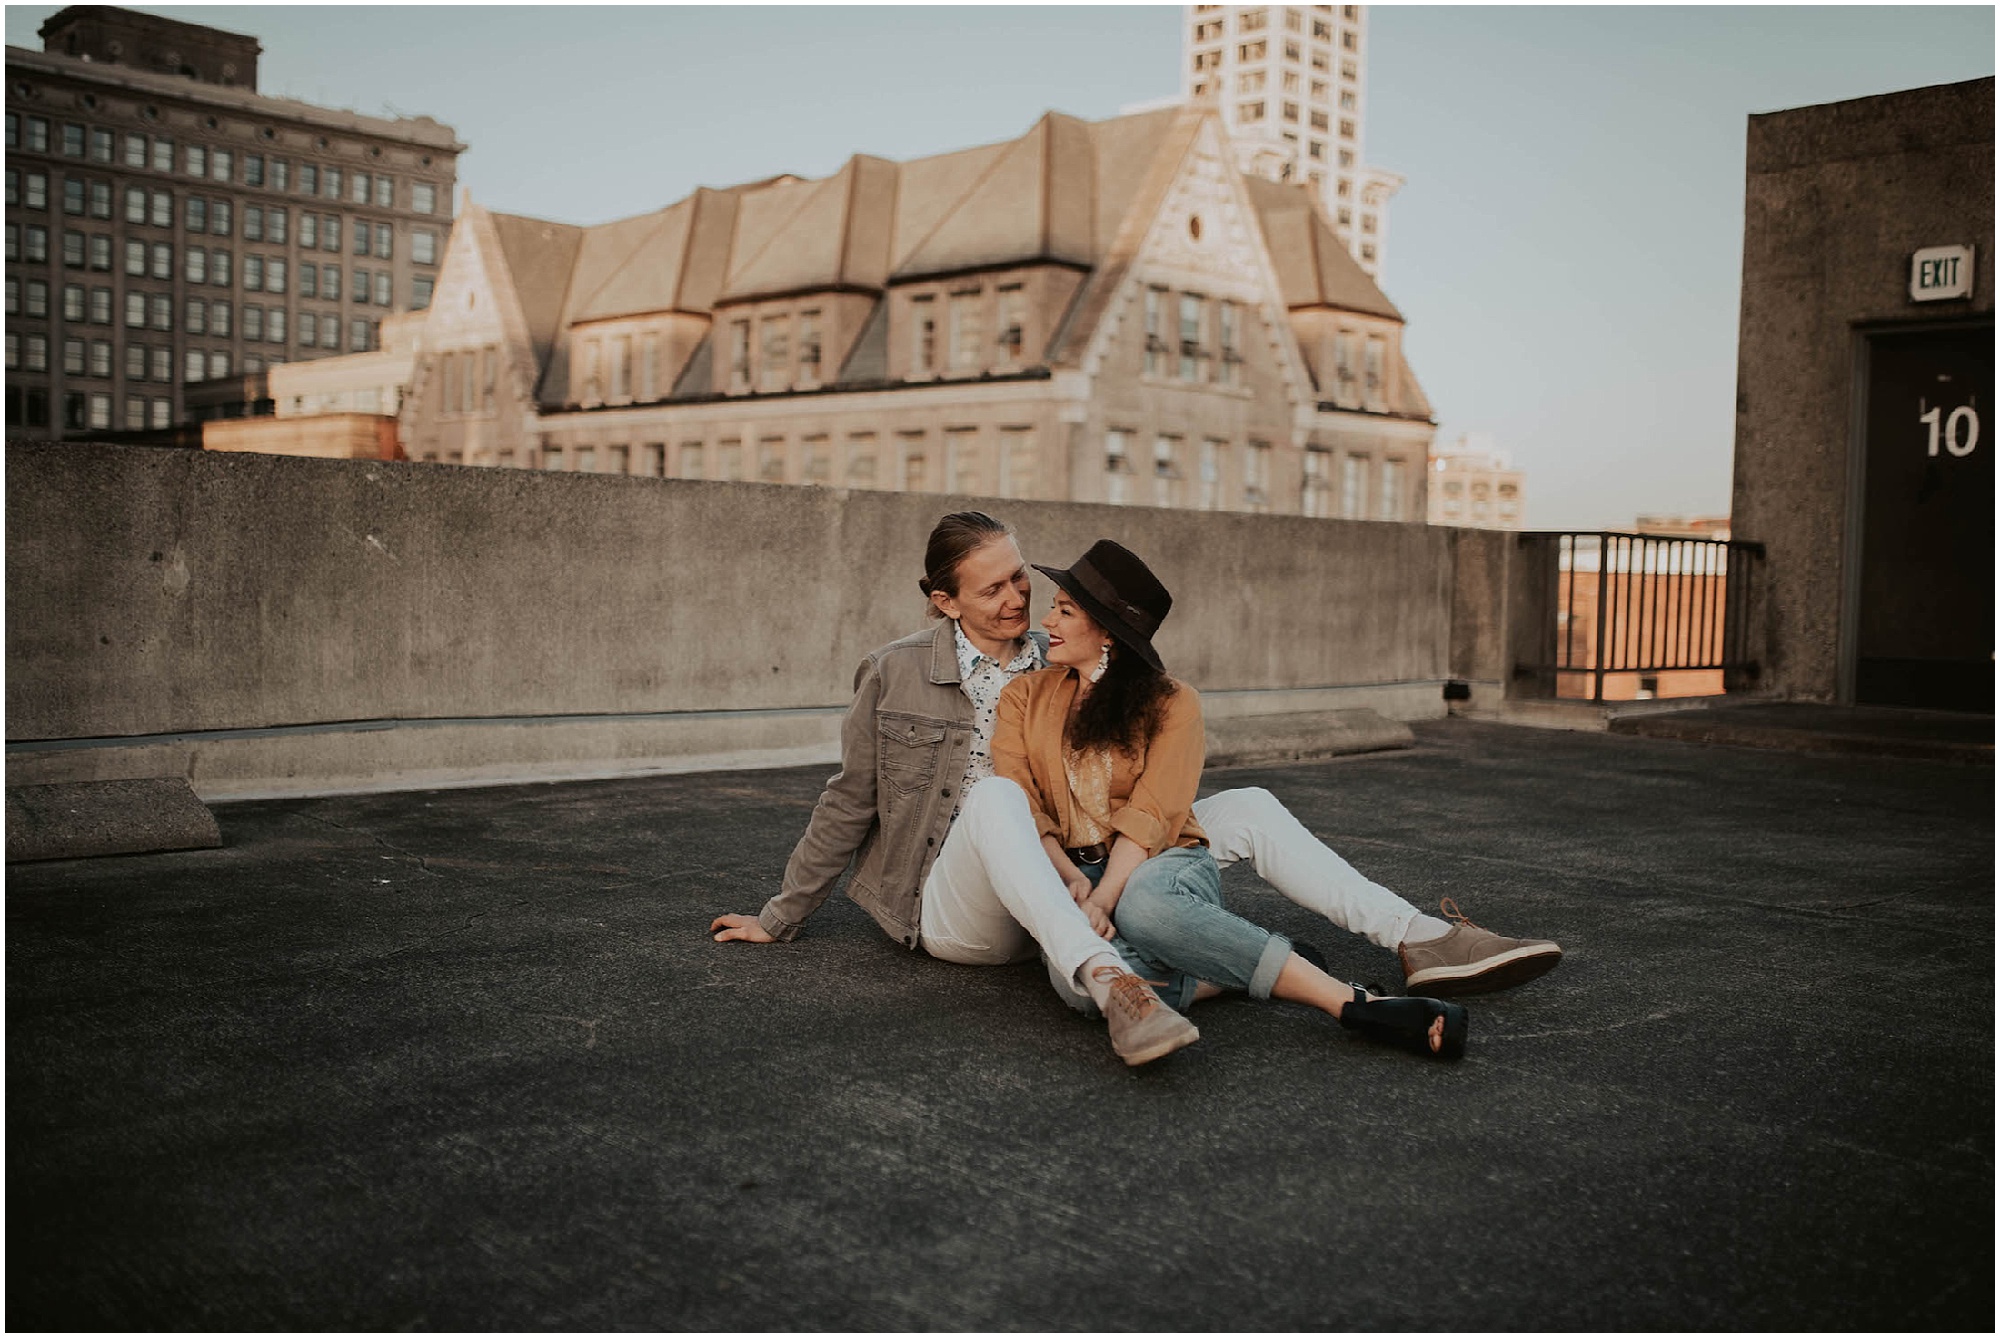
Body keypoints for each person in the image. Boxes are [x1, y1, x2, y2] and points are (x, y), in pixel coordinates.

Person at [710, 512, 1560, 1059]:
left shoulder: (1064, 658)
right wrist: (781, 917)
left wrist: (1104, 869)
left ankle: (1418, 938)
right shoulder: (895, 673)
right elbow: (849, 797)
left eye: (1022, 580)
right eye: (994, 587)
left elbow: (1145, 776)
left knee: (1249, 807)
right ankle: (1113, 980)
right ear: (944, 600)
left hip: (1080, 861)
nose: (1020, 598)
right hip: (959, 905)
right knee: (996, 797)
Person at [993, 539, 1465, 1058]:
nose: (1047, 620)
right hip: (1068, 870)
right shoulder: (1025, 697)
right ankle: (1229, 968)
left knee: (1143, 906)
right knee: (1081, 989)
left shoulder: (1173, 702)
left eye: (1065, 610)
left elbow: (1154, 813)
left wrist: (1106, 897)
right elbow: (1023, 803)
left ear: (1107, 632)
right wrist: (1073, 882)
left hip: (1160, 860)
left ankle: (1351, 1004)